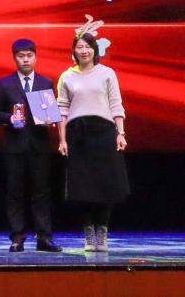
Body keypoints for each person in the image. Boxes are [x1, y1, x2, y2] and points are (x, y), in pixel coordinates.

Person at [0, 39, 62, 252]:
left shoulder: (46, 82)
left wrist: (50, 119)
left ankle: (44, 238)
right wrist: (9, 118)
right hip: (14, 146)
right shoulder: (5, 84)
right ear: (14, 58)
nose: (26, 60)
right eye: (21, 56)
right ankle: (17, 237)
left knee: (41, 192)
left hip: (39, 145)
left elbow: (53, 112)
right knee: (15, 192)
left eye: (29, 55)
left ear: (36, 57)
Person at [57, 32, 129, 252]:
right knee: (82, 187)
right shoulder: (67, 76)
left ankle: (102, 232)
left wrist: (120, 133)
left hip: (104, 133)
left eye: (88, 47)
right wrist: (62, 139)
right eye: (80, 47)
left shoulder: (107, 73)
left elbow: (115, 103)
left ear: (95, 50)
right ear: (74, 51)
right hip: (78, 135)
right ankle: (88, 232)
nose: (84, 51)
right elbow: (62, 110)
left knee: (105, 184)